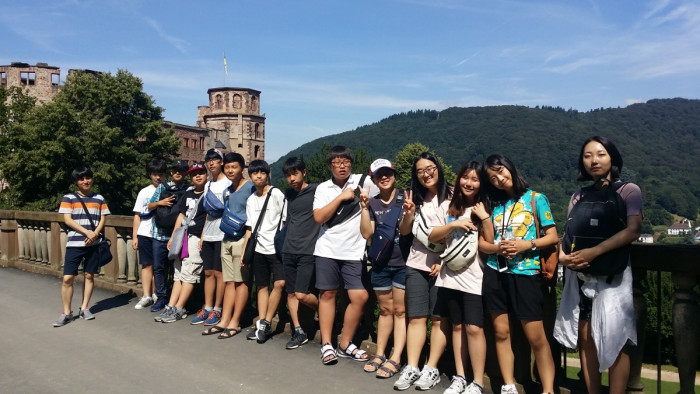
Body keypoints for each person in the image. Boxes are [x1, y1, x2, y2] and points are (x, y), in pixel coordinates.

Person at [554, 136, 641, 394]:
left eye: (601, 154)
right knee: (586, 338)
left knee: (617, 341)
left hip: (613, 276)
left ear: (612, 158)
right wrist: (561, 256)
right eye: (588, 155)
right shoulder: (578, 195)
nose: (594, 160)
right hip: (583, 276)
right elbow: (568, 233)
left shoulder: (629, 190)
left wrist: (594, 252)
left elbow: (634, 229)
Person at [478, 154, 557, 394]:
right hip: (495, 271)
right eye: (492, 177)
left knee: (536, 337)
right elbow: (482, 244)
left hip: (526, 273)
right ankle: (509, 384)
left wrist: (526, 245)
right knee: (501, 333)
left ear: (511, 168)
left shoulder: (535, 199)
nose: (499, 179)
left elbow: (553, 236)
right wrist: (497, 248)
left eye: (501, 171)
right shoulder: (493, 205)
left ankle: (548, 390)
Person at [428, 161, 490, 394]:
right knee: (456, 327)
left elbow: (490, 242)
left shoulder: (485, 207)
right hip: (449, 275)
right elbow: (433, 235)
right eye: (466, 177)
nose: (469, 183)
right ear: (458, 178)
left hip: (475, 275)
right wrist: (457, 223)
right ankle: (460, 377)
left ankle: (477, 381)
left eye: (475, 179)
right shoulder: (449, 206)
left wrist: (483, 218)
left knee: (474, 328)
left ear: (481, 183)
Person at [394, 152, 453, 391]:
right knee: (416, 317)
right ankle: (412, 366)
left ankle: (431, 368)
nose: (426, 174)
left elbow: (460, 234)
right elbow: (405, 231)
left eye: (429, 168)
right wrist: (408, 214)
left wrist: (445, 260)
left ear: (438, 168)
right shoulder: (414, 198)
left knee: (439, 319)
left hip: (446, 266)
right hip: (416, 263)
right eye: (420, 171)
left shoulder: (453, 196)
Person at [312, 145, 373, 365]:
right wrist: (340, 198)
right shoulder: (323, 188)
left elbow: (386, 185)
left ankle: (345, 344)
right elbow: (318, 218)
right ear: (330, 166)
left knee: (360, 297)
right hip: (327, 249)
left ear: (351, 163)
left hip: (353, 251)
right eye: (337, 162)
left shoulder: (362, 181)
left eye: (345, 161)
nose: (342, 166)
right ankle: (326, 343)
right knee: (327, 294)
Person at [359, 159, 411, 378]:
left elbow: (406, 231)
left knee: (400, 311)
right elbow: (366, 234)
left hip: (402, 264)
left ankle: (396, 357)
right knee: (386, 311)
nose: (384, 177)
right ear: (373, 179)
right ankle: (380, 353)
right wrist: (363, 208)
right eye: (379, 175)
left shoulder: (405, 197)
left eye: (388, 173)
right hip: (380, 264)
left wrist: (408, 213)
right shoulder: (372, 203)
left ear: (394, 175)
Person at [202, 152, 255, 338]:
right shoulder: (229, 189)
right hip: (226, 238)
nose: (231, 170)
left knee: (241, 282)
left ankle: (235, 322)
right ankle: (225, 319)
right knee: (229, 281)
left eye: (235, 167)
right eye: (228, 167)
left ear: (242, 168)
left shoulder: (250, 187)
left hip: (241, 239)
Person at [53, 166, 110, 326]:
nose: (85, 181)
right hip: (75, 243)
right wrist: (87, 232)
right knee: (67, 278)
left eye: (88, 178)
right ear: (76, 182)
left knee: (89, 275)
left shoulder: (99, 198)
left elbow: (103, 219)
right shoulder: (69, 198)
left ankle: (84, 307)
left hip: (94, 243)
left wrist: (95, 234)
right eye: (81, 179)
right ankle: (67, 312)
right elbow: (68, 220)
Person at [240, 159, 286, 343]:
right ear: (250, 176)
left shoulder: (276, 194)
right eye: (254, 173)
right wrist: (245, 252)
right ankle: (261, 324)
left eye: (262, 172)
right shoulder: (251, 199)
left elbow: (284, 220)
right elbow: (249, 228)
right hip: (258, 247)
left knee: (280, 283)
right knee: (261, 286)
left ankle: (266, 321)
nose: (258, 176)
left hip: (275, 247)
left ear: (267, 174)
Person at [156, 163, 208, 323]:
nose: (197, 176)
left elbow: (209, 217)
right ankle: (171, 305)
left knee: (189, 273)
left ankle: (179, 307)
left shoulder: (209, 194)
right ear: (190, 177)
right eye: (194, 174)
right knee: (179, 273)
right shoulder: (187, 194)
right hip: (183, 237)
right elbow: (180, 215)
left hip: (195, 238)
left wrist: (203, 236)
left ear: (206, 175)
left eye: (201, 173)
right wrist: (173, 236)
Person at [280, 157, 320, 349]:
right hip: (289, 249)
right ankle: (299, 331)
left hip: (308, 250)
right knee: (291, 293)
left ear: (304, 172)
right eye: (288, 175)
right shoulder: (289, 194)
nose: (291, 179)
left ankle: (326, 310)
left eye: (295, 174)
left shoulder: (317, 190)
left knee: (302, 294)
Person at [190, 149, 232, 325]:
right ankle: (207, 307)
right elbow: (207, 212)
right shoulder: (208, 184)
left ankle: (217, 308)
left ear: (221, 162)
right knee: (208, 272)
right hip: (208, 233)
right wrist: (202, 235)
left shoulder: (228, 183)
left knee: (219, 273)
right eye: (209, 160)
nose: (212, 163)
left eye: (215, 160)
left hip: (223, 233)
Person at [146, 160, 190, 312]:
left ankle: (175, 298)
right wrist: (161, 202)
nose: (178, 173)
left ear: (185, 173)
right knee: (159, 268)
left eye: (181, 170)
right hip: (159, 234)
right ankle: (162, 297)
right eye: (175, 170)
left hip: (178, 235)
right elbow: (149, 206)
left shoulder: (189, 189)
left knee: (178, 269)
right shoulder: (162, 188)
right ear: (171, 172)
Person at [132, 159, 168, 310]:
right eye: (154, 174)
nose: (157, 177)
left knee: (160, 266)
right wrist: (135, 236)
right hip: (145, 232)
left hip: (161, 233)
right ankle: (147, 294)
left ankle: (157, 293)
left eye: (160, 174)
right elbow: (137, 215)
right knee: (147, 264)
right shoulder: (144, 192)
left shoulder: (167, 189)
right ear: (150, 175)